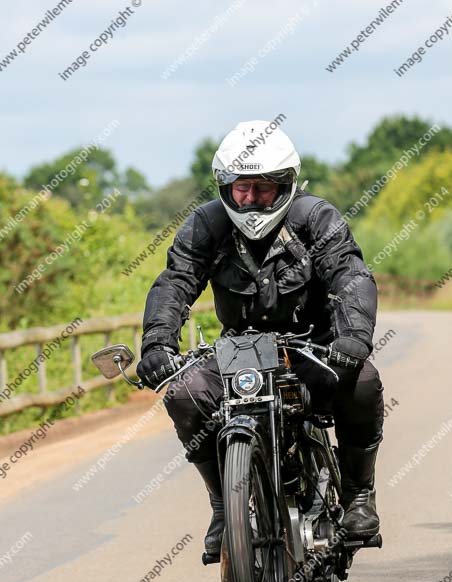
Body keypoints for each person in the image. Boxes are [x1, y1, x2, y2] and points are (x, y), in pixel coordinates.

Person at [137, 120, 384, 559]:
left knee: (362, 379)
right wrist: (157, 345)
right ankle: (222, 507)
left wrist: (353, 340)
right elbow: (174, 283)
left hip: (314, 347)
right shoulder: (206, 226)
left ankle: (359, 498)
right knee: (184, 394)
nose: (250, 199)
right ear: (225, 187)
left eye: (263, 188)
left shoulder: (315, 218)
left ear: (287, 184)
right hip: (239, 352)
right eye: (241, 188)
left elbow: (350, 275)